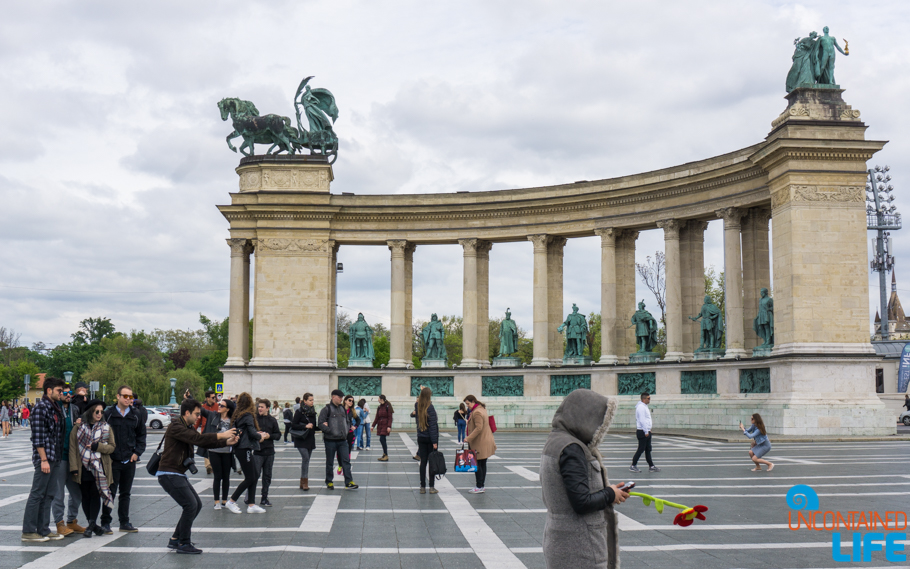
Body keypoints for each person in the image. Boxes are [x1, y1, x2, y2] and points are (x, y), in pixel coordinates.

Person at [541, 389, 629, 569]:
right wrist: (609, 494)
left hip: (561, 539)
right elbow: (581, 502)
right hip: (580, 547)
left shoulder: (556, 440)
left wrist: (612, 492)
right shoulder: (573, 449)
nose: (600, 427)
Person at [157, 398, 237, 554]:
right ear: (187, 413)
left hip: (177, 473)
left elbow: (203, 442)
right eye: (196, 414)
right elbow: (198, 439)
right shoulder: (176, 427)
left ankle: (175, 539)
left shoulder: (186, 426)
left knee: (196, 505)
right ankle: (183, 543)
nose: (198, 417)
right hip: (169, 473)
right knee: (190, 505)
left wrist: (226, 442)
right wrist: (221, 435)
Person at [22, 377, 67, 543]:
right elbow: (38, 437)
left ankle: (43, 529)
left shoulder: (54, 407)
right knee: (37, 494)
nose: (61, 394)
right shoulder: (41, 407)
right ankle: (28, 531)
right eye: (59, 391)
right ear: (49, 390)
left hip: (53, 457)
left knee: (49, 495)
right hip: (45, 458)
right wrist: (43, 459)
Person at [100, 385, 146, 534]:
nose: (128, 399)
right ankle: (105, 522)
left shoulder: (136, 415)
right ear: (118, 396)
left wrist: (137, 453)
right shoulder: (108, 414)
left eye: (130, 397)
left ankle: (124, 522)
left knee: (125, 493)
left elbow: (141, 436)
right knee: (110, 493)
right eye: (125, 396)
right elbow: (100, 435)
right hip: (112, 461)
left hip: (129, 460)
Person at [69, 399, 116, 538]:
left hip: (99, 467)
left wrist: (98, 447)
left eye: (101, 412)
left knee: (95, 495)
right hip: (82, 466)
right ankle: (93, 525)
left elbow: (112, 447)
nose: (99, 414)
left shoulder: (106, 428)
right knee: (85, 496)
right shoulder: (78, 427)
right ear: (90, 412)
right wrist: (73, 468)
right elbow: (73, 448)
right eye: (97, 411)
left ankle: (90, 525)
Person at [51, 385, 87, 537]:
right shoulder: (54, 408)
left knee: (77, 492)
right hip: (59, 456)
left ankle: (72, 520)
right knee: (58, 493)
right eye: (64, 392)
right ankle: (60, 523)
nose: (67, 395)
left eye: (69, 392)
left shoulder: (74, 409)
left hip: (73, 456)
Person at [225, 393, 266, 514]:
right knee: (250, 477)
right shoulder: (247, 415)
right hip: (245, 448)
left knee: (254, 475)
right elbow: (252, 433)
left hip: (240, 448)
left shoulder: (237, 415)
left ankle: (251, 504)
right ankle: (232, 501)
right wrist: (261, 436)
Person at [198, 399, 234, 509]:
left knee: (226, 477)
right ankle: (216, 501)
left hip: (227, 451)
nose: (219, 406)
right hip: (214, 451)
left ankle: (224, 500)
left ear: (228, 409)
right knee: (217, 476)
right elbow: (201, 410)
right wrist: (190, 398)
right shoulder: (213, 415)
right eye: (219, 404)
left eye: (222, 406)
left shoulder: (233, 420)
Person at [318, 389, 357, 490]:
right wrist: (329, 430)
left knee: (346, 461)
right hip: (330, 440)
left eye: (342, 397)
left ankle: (349, 481)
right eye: (339, 397)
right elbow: (320, 423)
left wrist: (346, 431)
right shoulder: (326, 409)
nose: (341, 399)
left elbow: (347, 421)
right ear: (333, 397)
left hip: (342, 440)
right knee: (330, 462)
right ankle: (329, 481)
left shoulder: (342, 409)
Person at [463, 395, 496, 494]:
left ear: (473, 401)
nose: (467, 406)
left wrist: (468, 438)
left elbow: (478, 428)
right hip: (484, 441)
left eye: (468, 403)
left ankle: (479, 486)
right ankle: (481, 485)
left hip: (480, 442)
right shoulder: (481, 409)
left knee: (477, 465)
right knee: (482, 464)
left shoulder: (477, 412)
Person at [251, 399, 281, 506]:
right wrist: (256, 435)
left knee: (267, 476)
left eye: (262, 407)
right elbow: (250, 433)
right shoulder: (253, 419)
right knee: (255, 475)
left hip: (269, 452)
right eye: (259, 407)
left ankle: (264, 497)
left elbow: (278, 435)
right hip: (258, 451)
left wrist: (269, 436)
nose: (259, 408)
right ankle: (250, 497)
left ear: (268, 408)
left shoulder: (272, 420)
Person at [415, 387, 439, 494]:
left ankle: (422, 487)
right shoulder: (430, 407)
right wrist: (435, 441)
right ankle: (432, 487)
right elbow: (432, 426)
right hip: (429, 438)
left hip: (421, 437)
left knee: (423, 462)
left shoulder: (417, 405)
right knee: (432, 462)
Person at [291, 393, 317, 490]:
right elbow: (293, 425)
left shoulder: (313, 412)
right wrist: (305, 426)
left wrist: (324, 426)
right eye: (310, 400)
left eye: (313, 400)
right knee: (305, 458)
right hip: (301, 439)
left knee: (306, 461)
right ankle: (305, 482)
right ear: (304, 401)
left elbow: (314, 426)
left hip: (310, 439)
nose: (312, 402)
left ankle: (302, 481)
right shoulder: (299, 412)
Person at [630, 392, 660, 473]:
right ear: (644, 399)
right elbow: (642, 420)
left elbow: (646, 420)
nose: (649, 400)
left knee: (648, 449)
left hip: (646, 430)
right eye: (648, 398)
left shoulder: (644, 407)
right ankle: (633, 465)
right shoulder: (641, 407)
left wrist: (649, 429)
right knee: (641, 449)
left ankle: (651, 466)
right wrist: (646, 431)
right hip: (642, 431)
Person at [194, 391, 219, 475]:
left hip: (214, 431)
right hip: (204, 431)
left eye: (214, 397)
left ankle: (212, 464)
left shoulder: (217, 406)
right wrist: (194, 429)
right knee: (206, 448)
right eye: (212, 397)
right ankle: (208, 466)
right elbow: (198, 420)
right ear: (207, 398)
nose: (214, 399)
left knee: (213, 449)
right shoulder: (203, 407)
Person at [373, 395, 393, 461]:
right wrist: (373, 425)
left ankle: (386, 454)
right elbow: (377, 417)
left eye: (378, 398)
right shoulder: (379, 407)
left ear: (381, 399)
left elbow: (390, 418)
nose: (378, 399)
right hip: (380, 424)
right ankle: (385, 454)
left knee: (382, 438)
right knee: (382, 439)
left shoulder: (387, 406)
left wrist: (389, 426)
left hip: (385, 424)